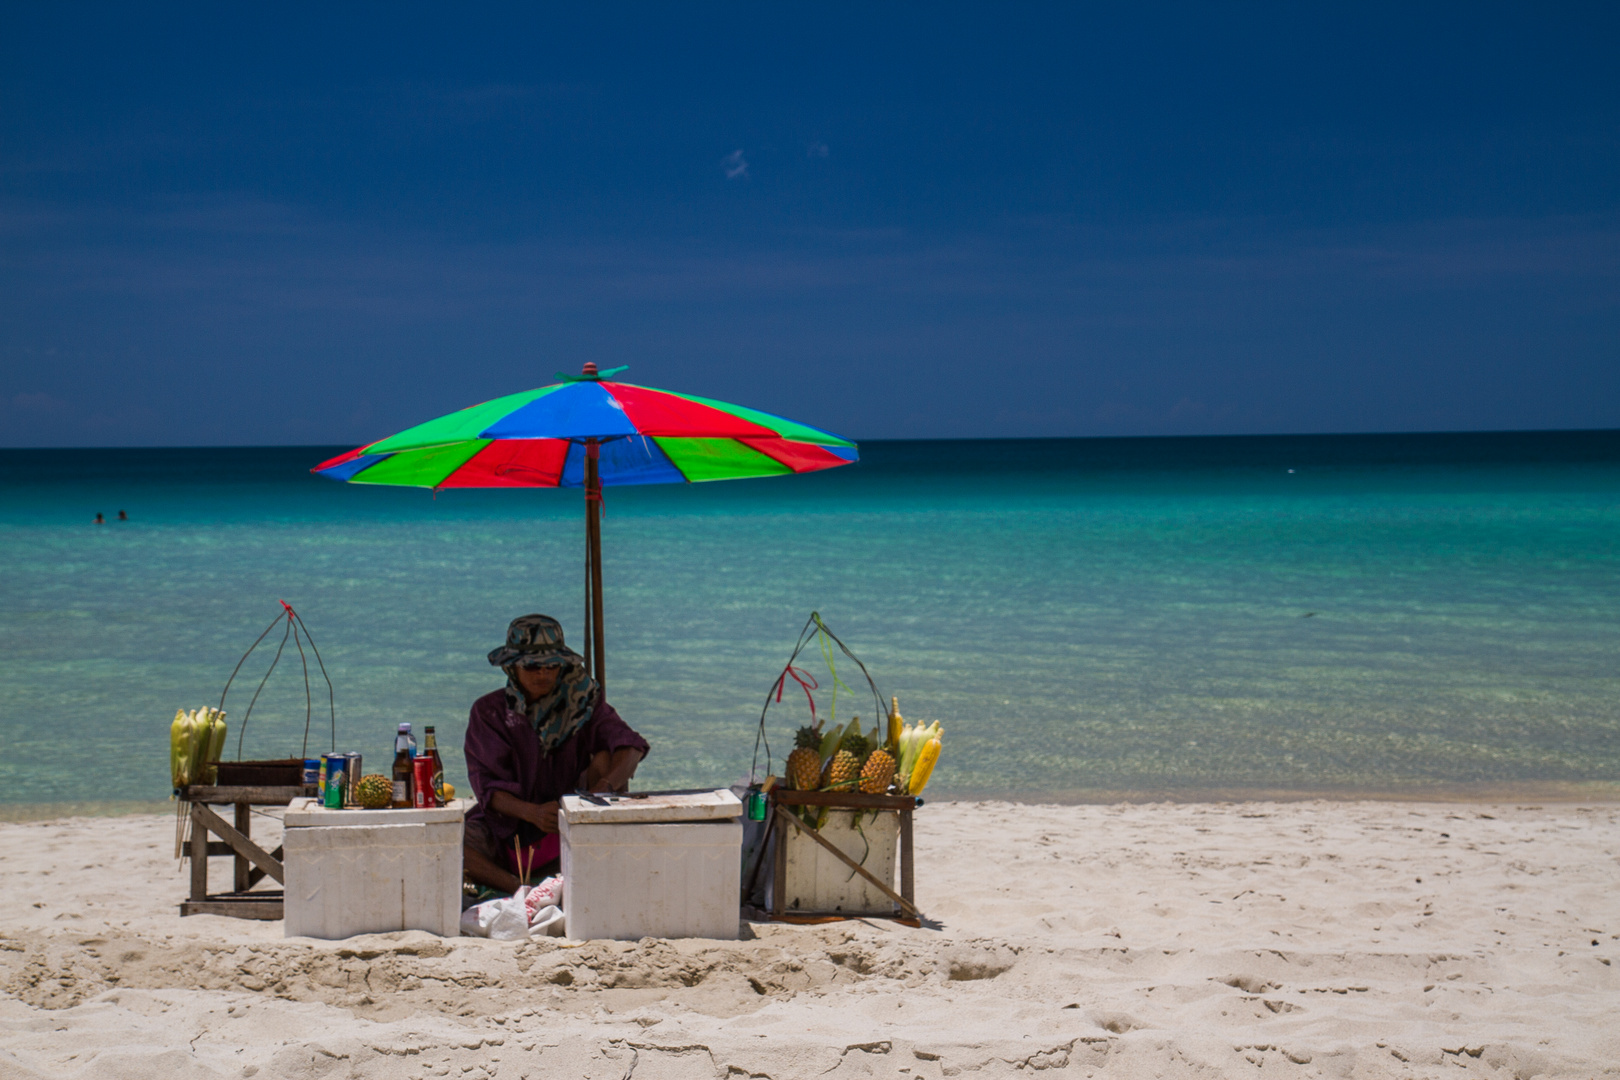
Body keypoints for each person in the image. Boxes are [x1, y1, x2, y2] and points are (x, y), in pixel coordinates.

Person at [462, 614, 648, 892]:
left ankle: (597, 862)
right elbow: (487, 788)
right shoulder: (488, 712)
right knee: (452, 843)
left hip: (571, 820)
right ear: (512, 668)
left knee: (606, 758)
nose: (544, 674)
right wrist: (532, 813)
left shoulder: (583, 705)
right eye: (533, 666)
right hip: (510, 823)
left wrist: (599, 791)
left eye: (552, 666)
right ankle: (518, 889)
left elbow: (631, 747)